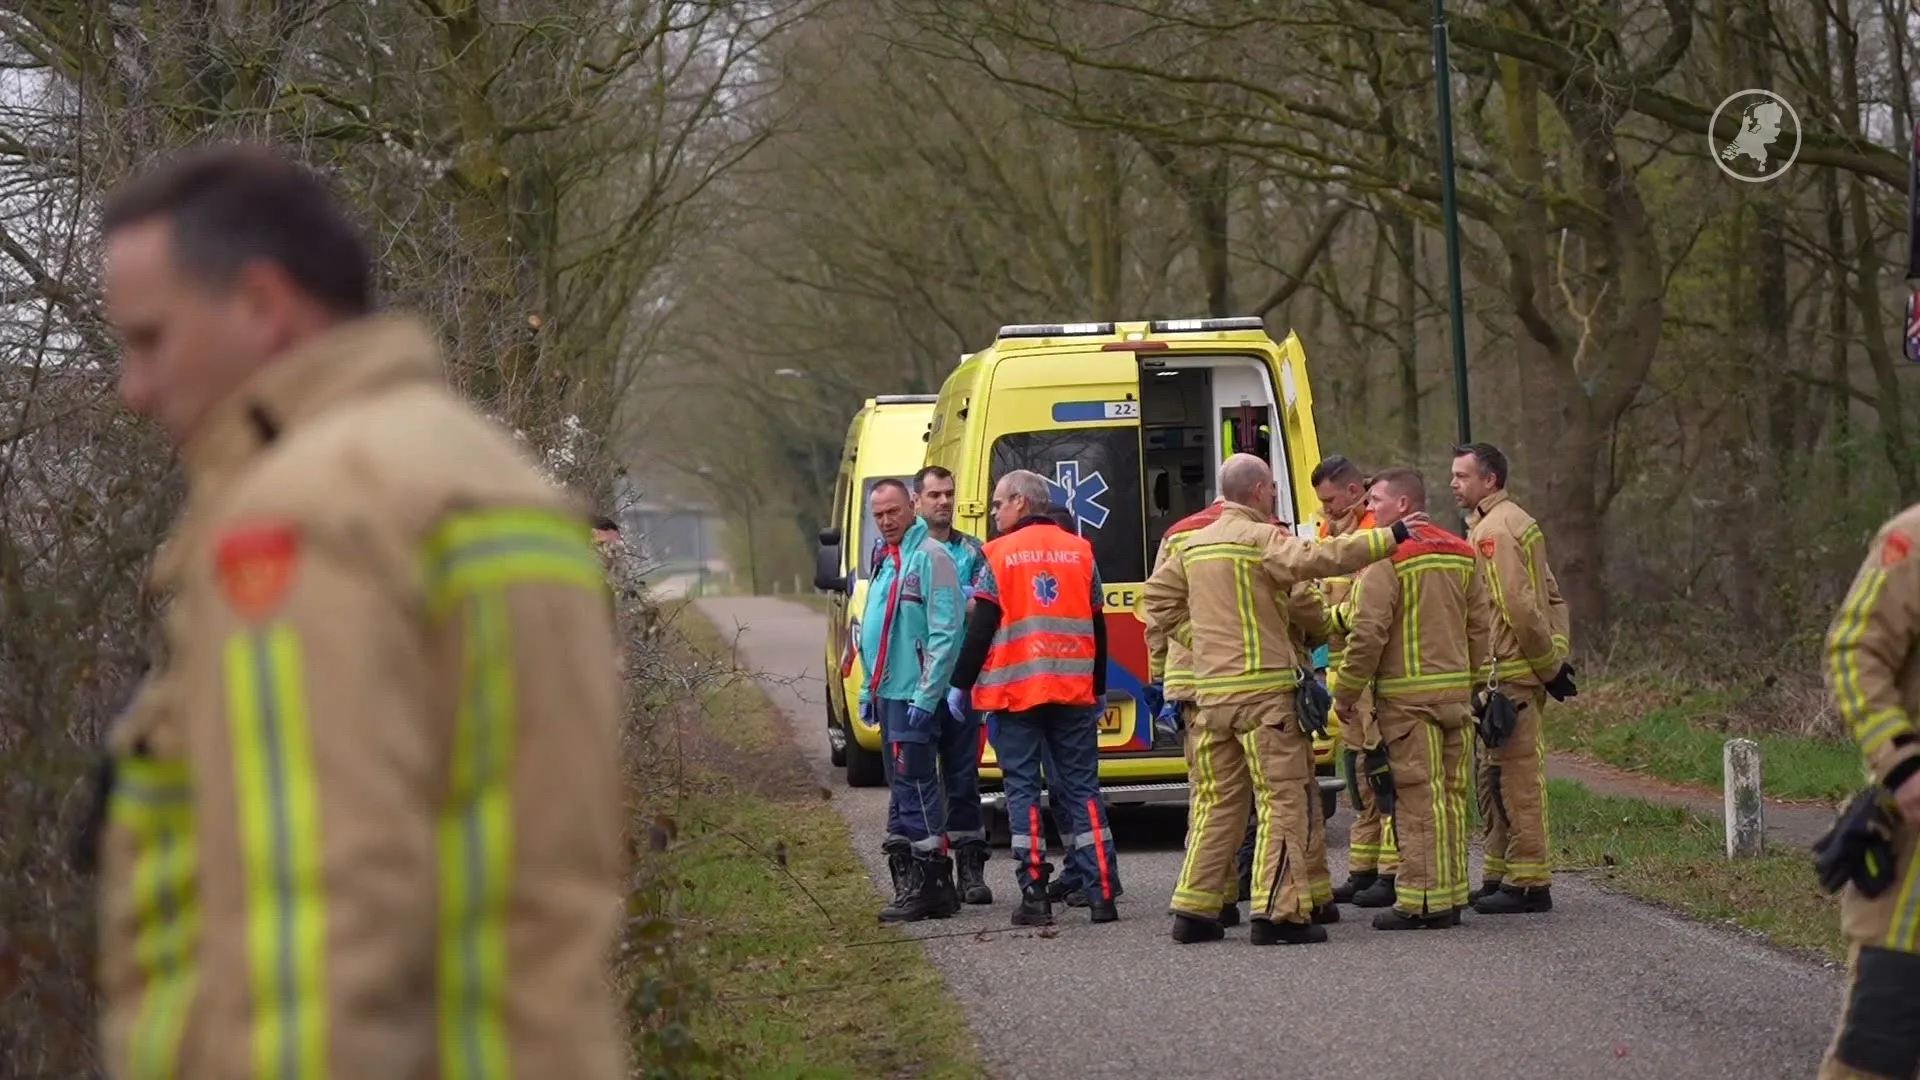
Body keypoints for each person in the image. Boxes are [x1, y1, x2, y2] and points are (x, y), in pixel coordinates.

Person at [89, 145, 627, 1078]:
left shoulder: (303, 516)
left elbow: (311, 927)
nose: (132, 391)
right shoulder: (494, 480)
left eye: (148, 340)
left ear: (261, 304)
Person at [1143, 453, 1419, 945]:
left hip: (1210, 698)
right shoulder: (1263, 539)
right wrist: (1388, 538)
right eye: (1271, 489)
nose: (1274, 496)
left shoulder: (1194, 544)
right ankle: (1278, 914)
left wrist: (1199, 638)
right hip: (1264, 695)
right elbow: (1320, 560)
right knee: (1283, 800)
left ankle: (1195, 910)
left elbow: (1156, 600)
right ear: (1258, 492)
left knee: (1214, 803)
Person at [948, 470, 1121, 926]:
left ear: (1021, 502)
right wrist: (1099, 688)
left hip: (1016, 695)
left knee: (1022, 792)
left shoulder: (998, 555)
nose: (995, 511)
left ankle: (1035, 896)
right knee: (1083, 791)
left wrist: (959, 684)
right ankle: (1102, 893)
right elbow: (1099, 628)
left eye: (999, 503)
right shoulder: (1081, 552)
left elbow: (982, 625)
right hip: (1074, 693)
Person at [1330, 468, 1490, 930]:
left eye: (1376, 500)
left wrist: (1347, 692)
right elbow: (1480, 626)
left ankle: (1421, 900)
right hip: (1456, 698)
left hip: (1405, 702)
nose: (1369, 509)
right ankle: (1452, 891)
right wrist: (1474, 682)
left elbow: (1368, 632)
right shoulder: (1463, 551)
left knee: (1418, 798)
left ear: (1402, 505)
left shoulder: (1387, 555)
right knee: (1453, 796)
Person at [1816, 504, 1920, 1079]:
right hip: (1912, 879)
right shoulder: (1911, 540)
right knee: (1878, 1051)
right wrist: (1901, 765)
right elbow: (1854, 652)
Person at [1451, 442, 1574, 915]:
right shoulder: (1504, 523)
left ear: (1490, 481)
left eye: (1462, 476)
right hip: (1511, 672)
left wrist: (1546, 666)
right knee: (1495, 777)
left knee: (1515, 780)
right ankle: (1500, 875)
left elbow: (1519, 606)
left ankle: (1529, 882)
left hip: (1510, 675)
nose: (1453, 484)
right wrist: (1556, 659)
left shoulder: (1496, 531)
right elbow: (1554, 599)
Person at [859, 478, 966, 922]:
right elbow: (878, 631)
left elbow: (946, 632)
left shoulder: (931, 558)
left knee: (920, 789)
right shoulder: (889, 560)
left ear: (912, 507)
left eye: (893, 512)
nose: (886, 521)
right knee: (903, 791)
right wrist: (869, 687)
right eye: (879, 515)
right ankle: (918, 885)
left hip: (914, 696)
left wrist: (927, 694)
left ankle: (934, 887)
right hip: (889, 693)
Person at [1310, 456, 1400, 905]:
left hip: (1366, 677)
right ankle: (1364, 868)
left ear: (1352, 492)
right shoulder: (1334, 533)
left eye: (1329, 500)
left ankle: (1390, 870)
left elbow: (1365, 614)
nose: (1324, 510)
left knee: (1380, 772)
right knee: (1360, 777)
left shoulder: (1372, 536)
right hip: (1342, 673)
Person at [911, 465, 994, 905]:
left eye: (948, 494)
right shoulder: (905, 552)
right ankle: (928, 875)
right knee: (920, 782)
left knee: (963, 779)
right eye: (934, 495)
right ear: (917, 501)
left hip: (961, 686)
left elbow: (985, 614)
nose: (943, 502)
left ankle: (972, 871)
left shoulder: (974, 552)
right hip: (915, 687)